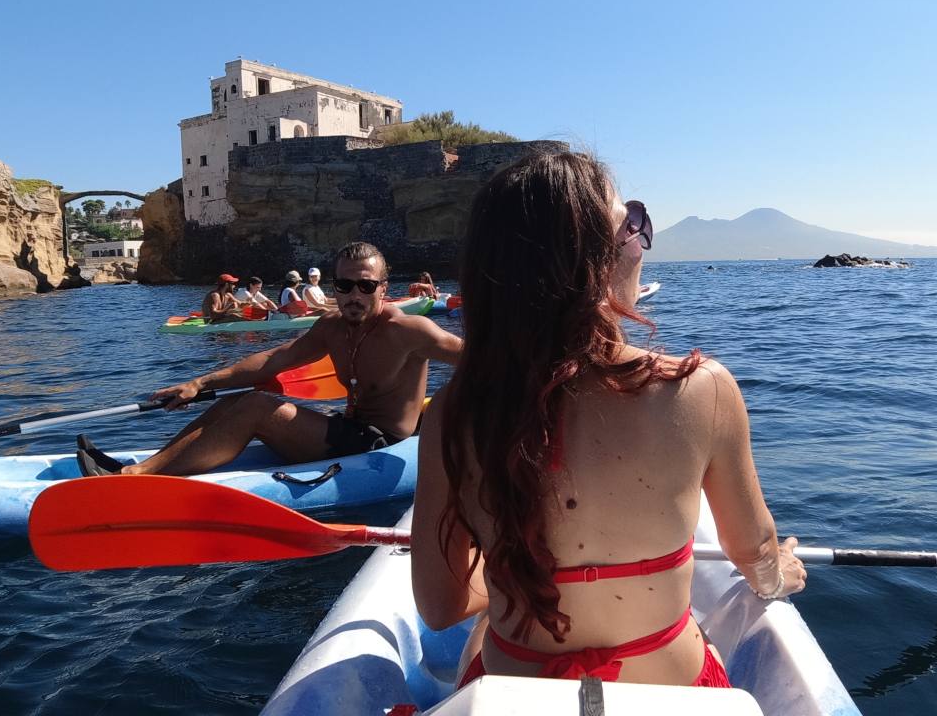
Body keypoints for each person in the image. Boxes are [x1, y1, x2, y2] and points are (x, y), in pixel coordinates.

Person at [411, 151, 805, 691]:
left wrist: (517, 577)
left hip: (514, 682)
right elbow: (755, 556)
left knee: (483, 631)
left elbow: (439, 606)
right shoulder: (702, 390)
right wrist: (780, 571)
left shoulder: (451, 414)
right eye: (634, 226)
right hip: (670, 684)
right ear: (598, 259)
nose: (642, 241)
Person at [77, 242, 464, 476]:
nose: (354, 294)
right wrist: (201, 383)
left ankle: (136, 477)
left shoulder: (409, 331)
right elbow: (277, 358)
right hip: (348, 427)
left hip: (380, 444)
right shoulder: (332, 326)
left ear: (382, 288)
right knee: (237, 402)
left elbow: (482, 360)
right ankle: (152, 465)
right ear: (335, 287)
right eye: (345, 285)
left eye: (366, 286)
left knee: (259, 407)